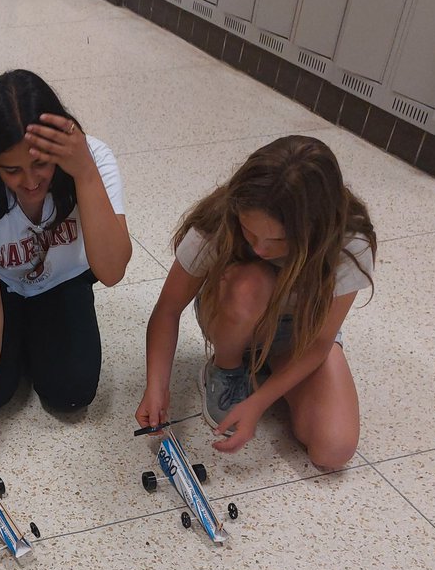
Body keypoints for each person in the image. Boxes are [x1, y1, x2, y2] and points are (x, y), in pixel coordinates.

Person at [136, 135, 376, 470]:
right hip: (234, 315)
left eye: (278, 240)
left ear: (317, 229)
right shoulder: (218, 221)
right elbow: (168, 309)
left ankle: (268, 366)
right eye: (250, 233)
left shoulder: (350, 242)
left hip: (302, 335)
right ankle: (228, 367)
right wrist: (156, 387)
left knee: (333, 450)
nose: (261, 249)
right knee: (251, 283)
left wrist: (260, 402)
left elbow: (320, 342)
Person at [0, 69, 132, 450]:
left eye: (41, 165)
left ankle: (31, 333)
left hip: (63, 281)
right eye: (12, 171)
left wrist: (85, 175)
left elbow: (111, 271)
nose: (30, 183)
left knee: (72, 393)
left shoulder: (93, 161)